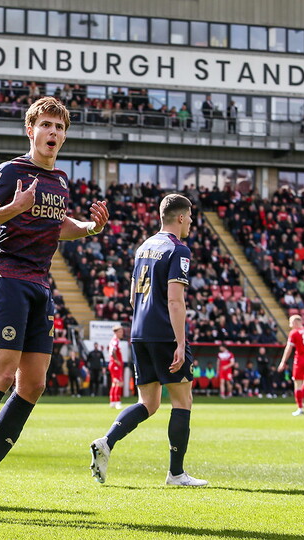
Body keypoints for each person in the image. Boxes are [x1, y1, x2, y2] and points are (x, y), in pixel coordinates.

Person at [0, 96, 110, 520]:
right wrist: (13, 208)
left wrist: (91, 227)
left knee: (33, 385)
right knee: (1, 374)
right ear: (31, 129)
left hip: (41, 285)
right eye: (47, 126)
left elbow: (63, 227)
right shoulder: (10, 172)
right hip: (7, 279)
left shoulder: (59, 180)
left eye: (60, 127)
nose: (53, 134)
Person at [89, 193, 207, 488]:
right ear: (180, 217)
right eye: (190, 217)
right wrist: (180, 343)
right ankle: (176, 474)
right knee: (182, 401)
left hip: (139, 332)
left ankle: (106, 441)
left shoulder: (144, 247)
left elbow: (132, 297)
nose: (191, 222)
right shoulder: (178, 249)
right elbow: (175, 301)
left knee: (149, 402)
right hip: (165, 332)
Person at [107, 325, 125, 409]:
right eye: (120, 332)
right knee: (119, 383)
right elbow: (113, 351)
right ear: (116, 332)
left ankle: (113, 401)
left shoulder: (115, 340)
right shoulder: (115, 340)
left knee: (114, 383)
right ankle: (117, 401)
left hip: (113, 364)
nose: (122, 333)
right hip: (115, 365)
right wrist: (117, 360)